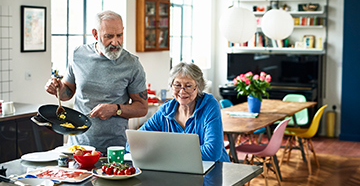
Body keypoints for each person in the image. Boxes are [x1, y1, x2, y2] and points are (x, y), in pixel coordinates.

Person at [45, 10, 148, 153]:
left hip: (114, 148)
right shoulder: (78, 55)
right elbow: (67, 93)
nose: (115, 42)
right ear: (95, 34)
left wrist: (115, 109)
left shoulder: (132, 64)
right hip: (77, 146)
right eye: (109, 36)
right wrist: (57, 88)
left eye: (119, 35)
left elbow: (142, 107)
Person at [126, 62, 230, 162]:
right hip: (178, 170)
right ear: (171, 86)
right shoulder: (165, 111)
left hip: (213, 171)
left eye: (188, 86)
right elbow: (132, 144)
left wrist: (164, 151)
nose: (182, 91)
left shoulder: (209, 105)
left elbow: (212, 152)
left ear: (198, 87)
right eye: (177, 85)